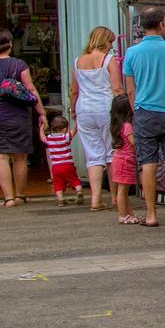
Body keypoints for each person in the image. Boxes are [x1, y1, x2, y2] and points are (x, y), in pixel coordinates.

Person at [122, 7, 165, 228]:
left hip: (145, 113)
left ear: (142, 26)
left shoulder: (132, 53)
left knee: (148, 164)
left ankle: (151, 215)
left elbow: (130, 89)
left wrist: (137, 111)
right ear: (162, 25)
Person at [0, 27, 46, 206]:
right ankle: (20, 195)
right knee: (20, 157)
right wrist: (42, 112)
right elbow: (31, 89)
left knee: (0, 157)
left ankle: (8, 198)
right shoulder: (18, 65)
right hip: (18, 117)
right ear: (10, 44)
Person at [71, 25, 118, 211]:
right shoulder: (108, 60)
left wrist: (73, 111)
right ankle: (115, 198)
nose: (111, 46)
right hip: (106, 109)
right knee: (111, 153)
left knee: (93, 156)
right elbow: (117, 89)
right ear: (104, 41)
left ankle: (96, 199)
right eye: (110, 42)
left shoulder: (78, 61)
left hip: (84, 109)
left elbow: (74, 90)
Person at [108, 95, 139, 225]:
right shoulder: (127, 126)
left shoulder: (117, 125)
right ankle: (122, 215)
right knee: (122, 190)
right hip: (125, 161)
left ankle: (129, 213)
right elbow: (133, 142)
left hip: (120, 160)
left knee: (124, 191)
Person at [42, 123, 84, 203]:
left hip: (56, 167)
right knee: (75, 180)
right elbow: (75, 130)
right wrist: (76, 121)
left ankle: (61, 199)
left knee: (57, 184)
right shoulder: (66, 137)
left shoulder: (49, 139)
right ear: (65, 129)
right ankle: (79, 191)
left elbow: (42, 137)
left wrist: (41, 128)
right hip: (68, 165)